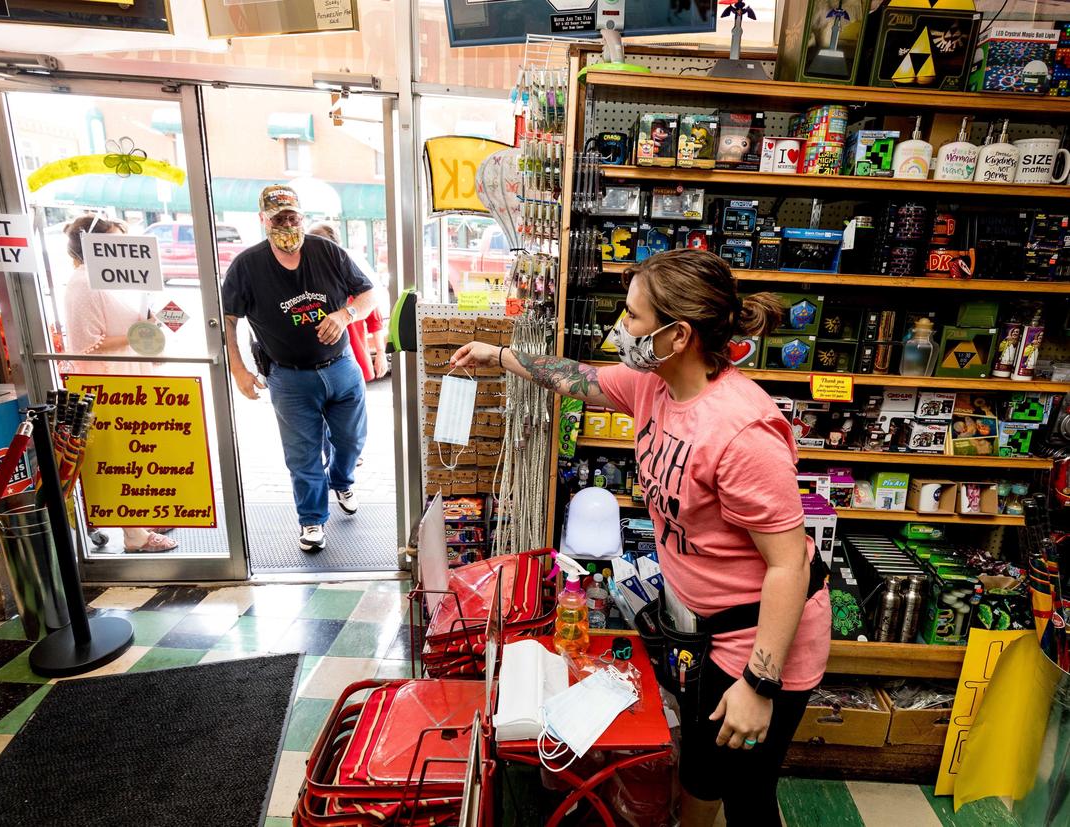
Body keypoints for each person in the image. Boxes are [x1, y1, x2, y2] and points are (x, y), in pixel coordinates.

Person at [451, 249, 831, 826]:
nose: (619, 329)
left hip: (760, 642)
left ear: (676, 335)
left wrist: (758, 682)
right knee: (701, 773)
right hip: (706, 632)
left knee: (748, 798)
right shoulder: (653, 385)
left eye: (631, 316)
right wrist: (498, 356)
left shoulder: (741, 433)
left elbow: (788, 566)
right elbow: (580, 379)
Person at [222, 186, 377, 553]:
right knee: (303, 454)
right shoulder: (247, 266)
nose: (287, 224)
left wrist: (345, 313)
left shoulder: (328, 253)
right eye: (278, 219)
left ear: (302, 217)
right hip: (289, 377)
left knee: (352, 439)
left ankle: (341, 479)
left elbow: (369, 295)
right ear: (264, 220)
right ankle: (311, 520)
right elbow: (227, 321)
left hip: (341, 367)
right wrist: (238, 370)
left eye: (293, 217)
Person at [62, 214, 178, 553]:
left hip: (132, 377)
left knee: (138, 452)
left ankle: (143, 515)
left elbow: (141, 322)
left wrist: (153, 324)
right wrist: (139, 332)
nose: (123, 247)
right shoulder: (83, 283)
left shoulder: (116, 280)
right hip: (107, 384)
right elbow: (85, 345)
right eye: (114, 241)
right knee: (120, 455)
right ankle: (134, 533)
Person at [307, 222, 388, 382]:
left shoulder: (352, 277)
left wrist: (380, 353)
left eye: (320, 242)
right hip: (317, 368)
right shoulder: (306, 278)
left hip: (354, 357)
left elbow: (375, 317)